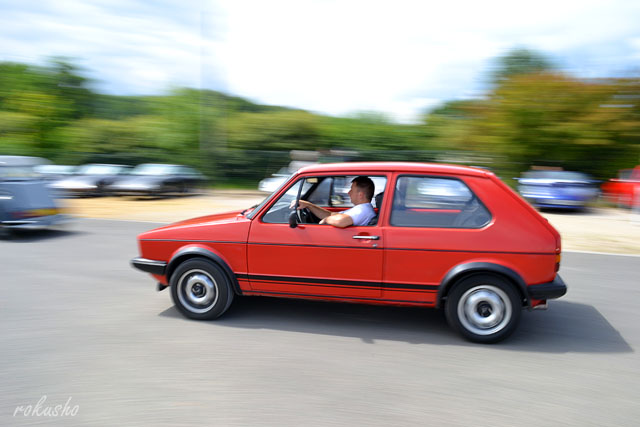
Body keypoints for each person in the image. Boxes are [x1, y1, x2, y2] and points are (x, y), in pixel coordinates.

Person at [297, 176, 376, 228]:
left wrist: (326, 220)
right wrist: (309, 205)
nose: (349, 192)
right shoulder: (361, 209)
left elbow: (341, 221)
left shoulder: (362, 210)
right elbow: (332, 215)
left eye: (352, 190)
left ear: (360, 195)